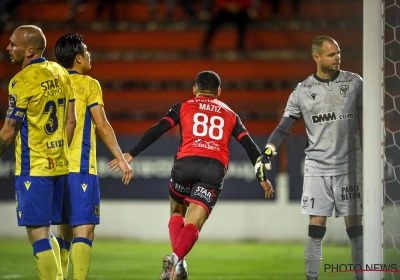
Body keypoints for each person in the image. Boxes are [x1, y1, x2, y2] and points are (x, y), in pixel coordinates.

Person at [108, 70, 274, 280]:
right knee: (194, 222)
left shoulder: (184, 106)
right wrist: (263, 178)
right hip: (214, 168)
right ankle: (176, 258)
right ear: (219, 92)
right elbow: (249, 145)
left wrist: (132, 153)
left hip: (185, 164)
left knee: (177, 210)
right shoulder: (231, 114)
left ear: (194, 89)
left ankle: (178, 263)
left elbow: (159, 128)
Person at [255, 36, 363, 280]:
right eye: (331, 54)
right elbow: (283, 128)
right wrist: (268, 151)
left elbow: (372, 117)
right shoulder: (302, 91)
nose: (338, 58)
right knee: (316, 229)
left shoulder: (355, 82)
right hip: (317, 167)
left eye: (338, 53)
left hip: (350, 165)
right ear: (316, 58)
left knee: (356, 228)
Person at [54, 33, 133, 280]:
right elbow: (102, 125)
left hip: (52, 166)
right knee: (84, 231)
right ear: (78, 58)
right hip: (80, 167)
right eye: (87, 52)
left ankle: (57, 276)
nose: (90, 55)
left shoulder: (51, 83)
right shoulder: (89, 84)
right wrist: (121, 158)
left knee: (63, 230)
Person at [2, 25, 76, 280]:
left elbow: (9, 132)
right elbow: (71, 121)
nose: (8, 48)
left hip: (34, 168)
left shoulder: (21, 82)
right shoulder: (60, 71)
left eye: (13, 44)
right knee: (47, 232)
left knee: (37, 234)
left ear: (29, 50)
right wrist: (58, 152)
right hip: (60, 165)